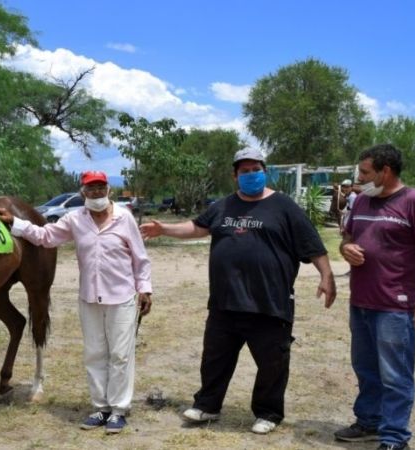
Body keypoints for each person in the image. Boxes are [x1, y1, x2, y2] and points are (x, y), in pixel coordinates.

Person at [140, 148, 336, 435]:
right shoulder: (223, 206)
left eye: (255, 169)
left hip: (269, 301)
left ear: (264, 171)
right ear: (235, 176)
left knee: (272, 363)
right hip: (225, 301)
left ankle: (268, 412)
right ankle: (207, 406)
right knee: (215, 358)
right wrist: (164, 229)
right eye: (244, 171)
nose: (250, 175)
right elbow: (196, 227)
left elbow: (312, 244)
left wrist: (327, 275)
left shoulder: (285, 207)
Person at [0, 170, 152, 434]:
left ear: (108, 189)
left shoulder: (124, 218)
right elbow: (45, 236)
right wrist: (15, 224)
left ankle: (119, 409)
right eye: (91, 189)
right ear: (83, 193)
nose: (96, 193)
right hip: (89, 297)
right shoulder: (75, 219)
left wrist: (145, 289)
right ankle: (101, 407)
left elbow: (140, 257)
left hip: (121, 296)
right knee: (95, 353)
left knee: (121, 355)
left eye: (100, 188)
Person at [335, 144, 415, 450]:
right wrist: (345, 249)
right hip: (360, 302)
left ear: (386, 172)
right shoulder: (361, 202)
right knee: (366, 369)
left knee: (395, 376)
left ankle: (395, 437)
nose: (360, 178)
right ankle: (369, 422)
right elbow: (346, 238)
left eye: (365, 172)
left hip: (395, 307)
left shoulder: (414, 201)